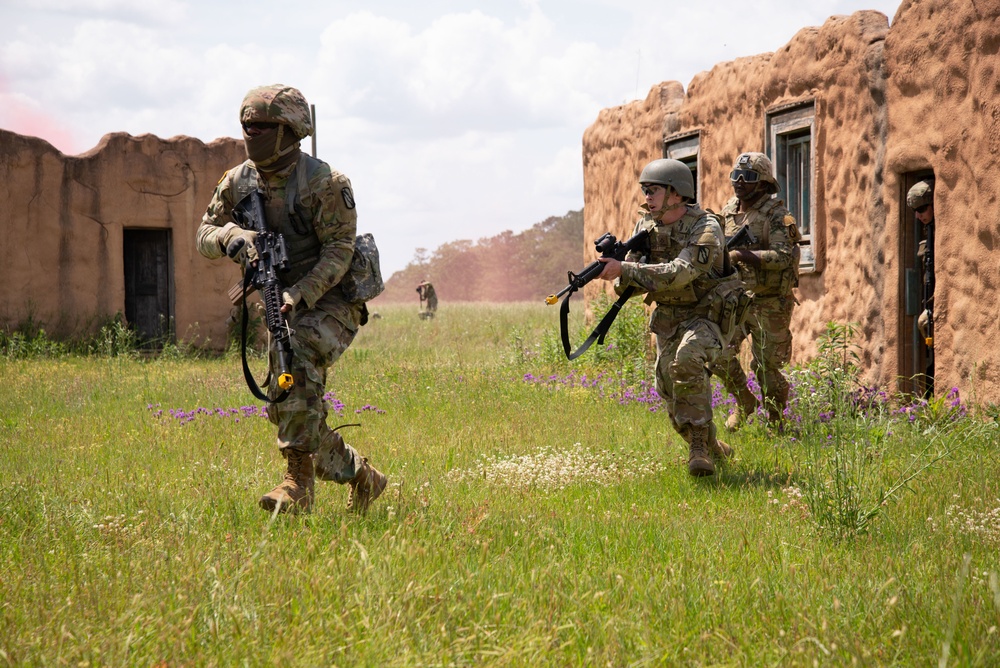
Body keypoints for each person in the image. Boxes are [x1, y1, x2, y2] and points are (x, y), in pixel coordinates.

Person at [196, 84, 386, 514]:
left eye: (263, 126)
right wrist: (232, 235)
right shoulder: (237, 182)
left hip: (331, 301)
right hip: (278, 301)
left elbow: (340, 250)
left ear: (291, 130)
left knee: (296, 358)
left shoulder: (325, 183)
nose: (252, 132)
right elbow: (203, 235)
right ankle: (364, 477)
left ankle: (297, 485)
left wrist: (299, 294)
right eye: (249, 126)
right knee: (290, 405)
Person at [596, 159, 749, 477]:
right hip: (670, 317)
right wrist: (618, 270)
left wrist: (626, 268)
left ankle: (698, 447)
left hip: (708, 314)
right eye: (645, 191)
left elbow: (683, 273)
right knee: (667, 386)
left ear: (676, 193)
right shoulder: (645, 227)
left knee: (687, 359)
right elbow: (631, 286)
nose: (647, 196)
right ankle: (713, 446)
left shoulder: (706, 227)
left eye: (653, 190)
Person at [711, 152, 800, 430]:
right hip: (736, 298)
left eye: (747, 177)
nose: (738, 181)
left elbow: (784, 257)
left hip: (770, 302)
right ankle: (744, 402)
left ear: (762, 183)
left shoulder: (777, 215)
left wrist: (742, 255)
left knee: (766, 368)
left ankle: (776, 420)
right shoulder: (728, 211)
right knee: (716, 351)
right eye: (735, 175)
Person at [907, 179, 935, 396]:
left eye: (922, 209)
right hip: (928, 303)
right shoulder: (929, 229)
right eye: (915, 211)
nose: (918, 215)